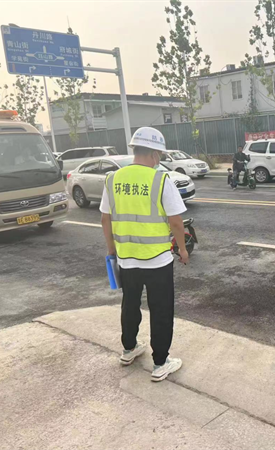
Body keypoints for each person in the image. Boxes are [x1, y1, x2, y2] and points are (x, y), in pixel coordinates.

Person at [100, 127, 190, 382]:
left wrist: (111, 250)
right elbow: (175, 222)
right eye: (159, 154)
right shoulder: (160, 180)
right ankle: (160, 363)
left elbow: (105, 219)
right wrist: (182, 249)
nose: (159, 159)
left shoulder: (113, 179)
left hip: (127, 258)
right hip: (157, 259)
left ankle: (129, 349)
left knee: (130, 304)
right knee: (161, 310)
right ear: (153, 154)